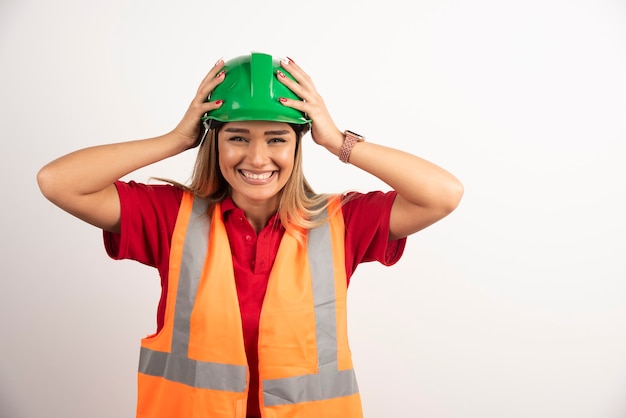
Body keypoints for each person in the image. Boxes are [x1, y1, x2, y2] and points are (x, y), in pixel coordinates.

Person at [37, 52, 464, 418]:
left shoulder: (340, 222)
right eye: (237, 137)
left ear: (298, 145)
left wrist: (337, 142)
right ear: (214, 142)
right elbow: (58, 181)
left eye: (276, 139)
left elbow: (443, 195)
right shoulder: (171, 217)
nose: (257, 158)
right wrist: (175, 139)